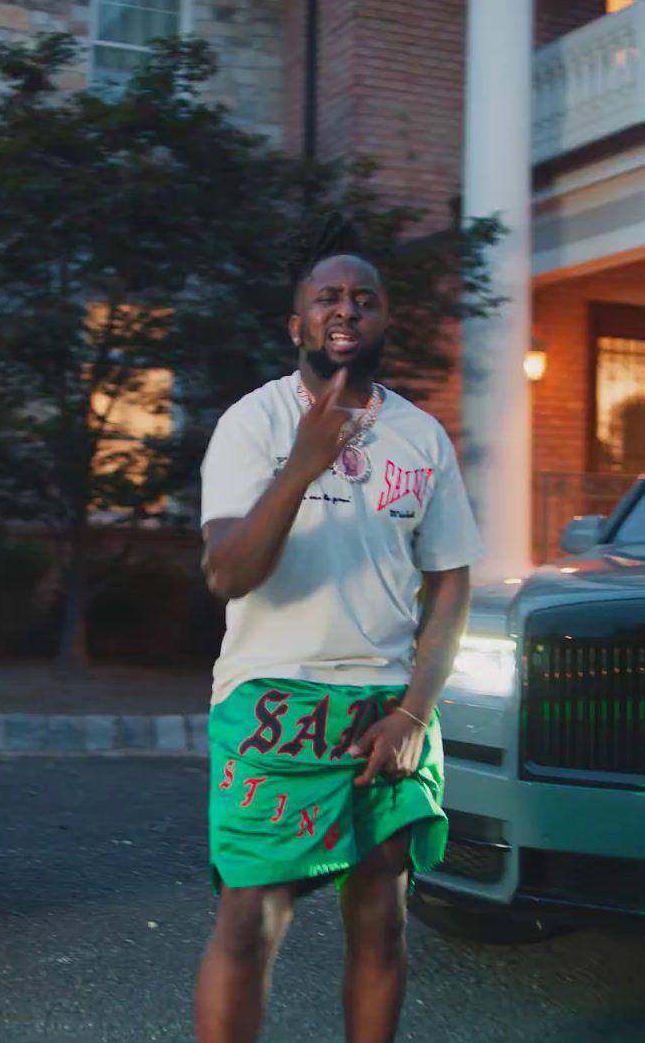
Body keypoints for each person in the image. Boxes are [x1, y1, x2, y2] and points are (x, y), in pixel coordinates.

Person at [194, 221, 484, 1043]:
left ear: (386, 320)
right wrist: (302, 463)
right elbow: (227, 574)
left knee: (382, 919)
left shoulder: (421, 438)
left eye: (365, 298)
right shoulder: (251, 425)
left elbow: (451, 585)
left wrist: (415, 714)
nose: (346, 309)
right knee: (251, 921)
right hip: (272, 701)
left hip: (385, 710)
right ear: (297, 325)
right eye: (327, 297)